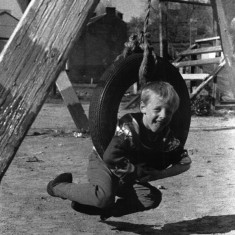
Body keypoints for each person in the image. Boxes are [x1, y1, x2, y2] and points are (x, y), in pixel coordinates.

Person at [47, 81, 191, 220]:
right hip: (104, 161)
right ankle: (58, 186)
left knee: (150, 198)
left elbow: (185, 162)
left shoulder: (166, 136)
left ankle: (106, 209)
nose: (163, 115)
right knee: (103, 196)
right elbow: (111, 157)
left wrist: (160, 173)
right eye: (157, 109)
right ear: (143, 107)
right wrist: (136, 172)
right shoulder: (130, 126)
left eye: (169, 111)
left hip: (127, 171)